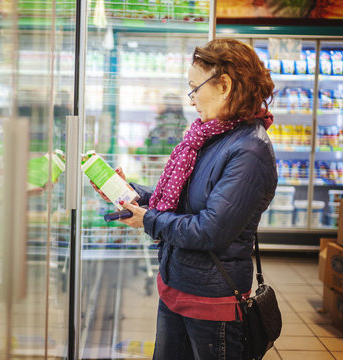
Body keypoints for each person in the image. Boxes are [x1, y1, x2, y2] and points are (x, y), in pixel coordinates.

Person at [91, 38, 277, 359]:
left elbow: (209, 230)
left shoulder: (249, 150)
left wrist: (147, 219)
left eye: (195, 88)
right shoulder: (211, 135)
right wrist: (133, 193)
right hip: (177, 286)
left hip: (211, 302)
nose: (191, 99)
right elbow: (184, 200)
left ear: (224, 85)